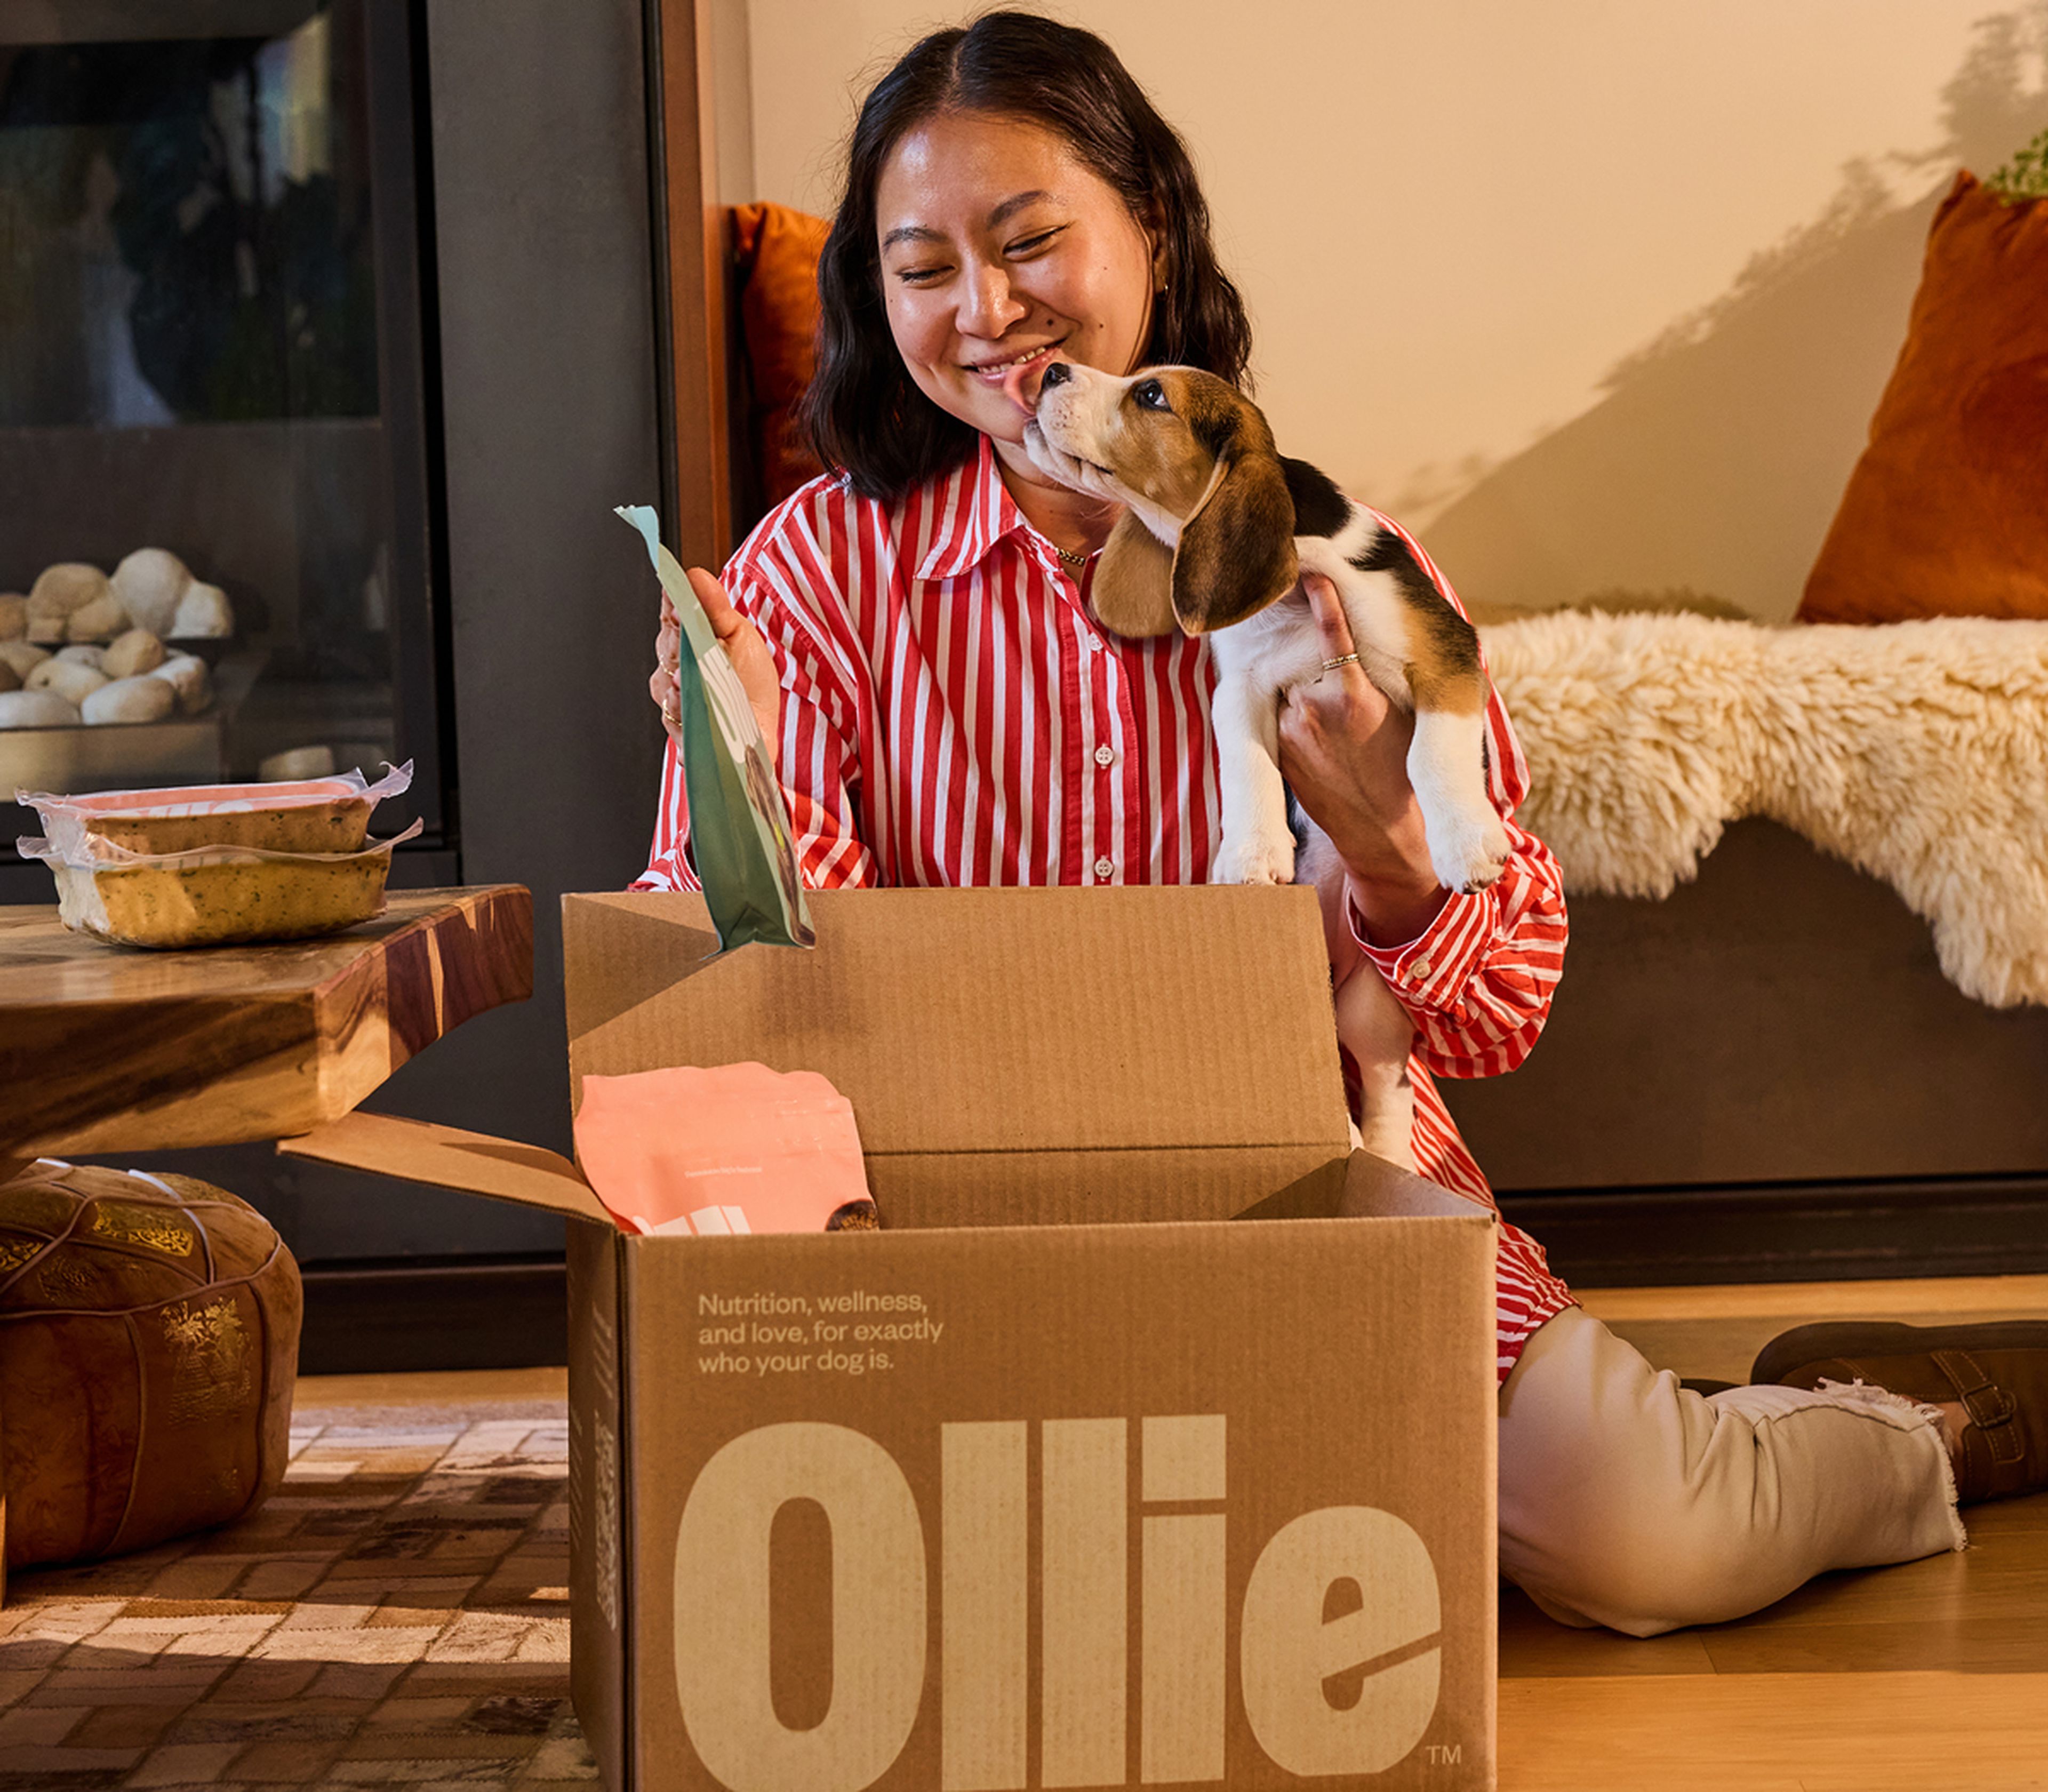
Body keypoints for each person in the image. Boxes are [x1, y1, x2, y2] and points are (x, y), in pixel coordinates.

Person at [637, 10, 2044, 1636]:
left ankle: (1902, 1424)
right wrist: (733, 784)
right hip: (963, 1213)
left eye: (1031, 243)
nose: (988, 311)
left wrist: (1382, 847)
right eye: (924, 268)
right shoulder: (813, 574)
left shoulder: (1332, 567)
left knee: (1653, 1544)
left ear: (1148, 234)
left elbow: (1508, 999)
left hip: (1306, 1184)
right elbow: (733, 995)